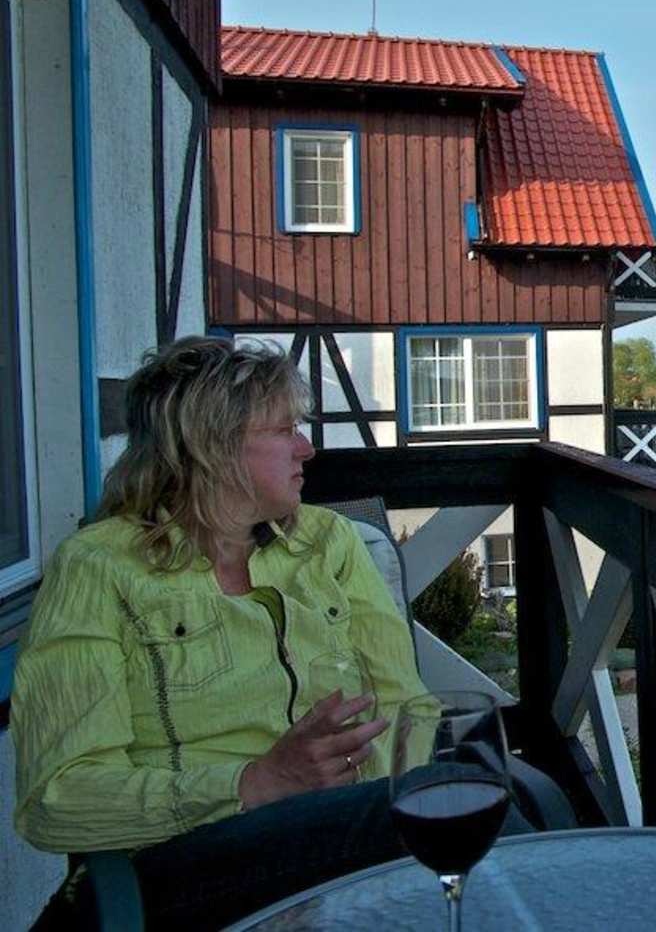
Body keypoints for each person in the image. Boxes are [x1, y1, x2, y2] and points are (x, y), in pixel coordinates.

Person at [12, 337, 444, 928]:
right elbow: (56, 799)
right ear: (211, 446)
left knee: (488, 798)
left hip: (344, 836)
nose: (307, 448)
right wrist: (253, 784)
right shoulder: (98, 568)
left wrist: (367, 801)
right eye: (285, 429)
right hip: (179, 865)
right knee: (460, 815)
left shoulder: (329, 543)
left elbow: (403, 705)